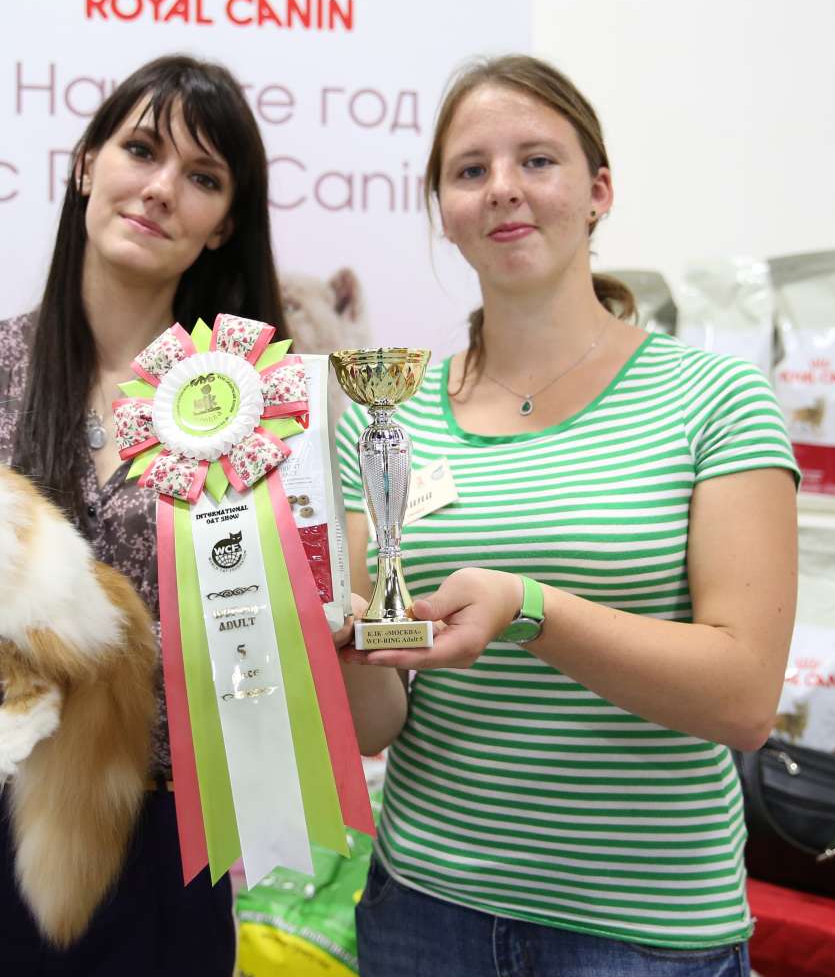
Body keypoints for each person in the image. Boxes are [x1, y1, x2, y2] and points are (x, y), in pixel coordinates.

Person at [333, 54, 798, 976]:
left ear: (598, 192)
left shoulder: (714, 399)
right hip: (424, 908)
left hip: (645, 932)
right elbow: (374, 723)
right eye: (470, 170)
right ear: (443, 213)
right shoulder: (384, 417)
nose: (502, 188)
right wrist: (333, 640)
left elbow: (745, 699)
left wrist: (529, 609)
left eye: (536, 160)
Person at [0, 54, 285, 975]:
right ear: (84, 165)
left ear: (224, 225)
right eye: (141, 150)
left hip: (155, 846)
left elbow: (267, 660)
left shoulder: (257, 408)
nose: (161, 189)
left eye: (202, 178)